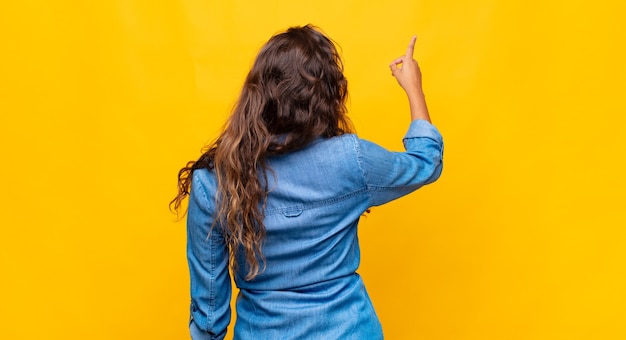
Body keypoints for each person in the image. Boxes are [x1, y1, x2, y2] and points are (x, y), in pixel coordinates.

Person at [171, 24, 443, 340]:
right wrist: (414, 88)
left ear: (257, 95)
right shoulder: (350, 160)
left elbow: (209, 315)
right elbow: (426, 163)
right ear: (328, 95)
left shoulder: (214, 182)